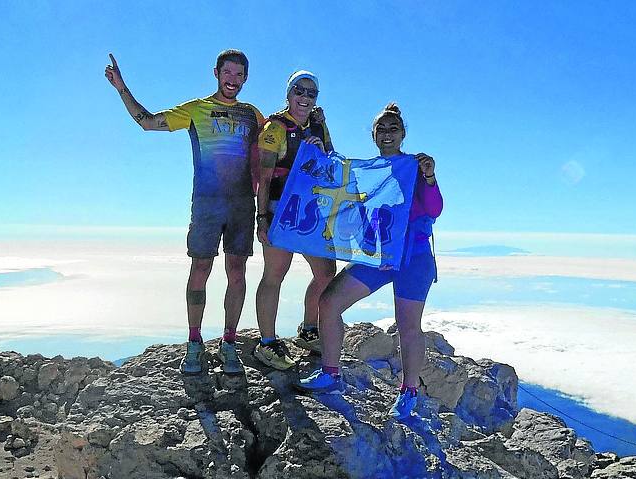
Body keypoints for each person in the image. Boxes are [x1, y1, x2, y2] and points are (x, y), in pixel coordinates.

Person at [104, 50, 264, 375]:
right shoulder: (196, 110)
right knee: (200, 269)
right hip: (207, 205)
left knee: (237, 272)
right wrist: (122, 88)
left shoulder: (253, 115)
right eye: (227, 73)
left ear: (246, 78)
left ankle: (229, 342)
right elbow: (147, 123)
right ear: (216, 73)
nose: (232, 80)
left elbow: (274, 149)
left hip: (242, 205)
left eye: (239, 75)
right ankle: (194, 343)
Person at [296, 103, 443, 419]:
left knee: (407, 327)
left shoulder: (414, 167)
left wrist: (430, 178)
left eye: (393, 129)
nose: (387, 134)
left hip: (413, 258)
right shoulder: (371, 170)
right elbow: (341, 179)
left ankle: (409, 392)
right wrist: (321, 150)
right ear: (374, 136)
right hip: (377, 256)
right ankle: (330, 374)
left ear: (403, 134)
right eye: (382, 129)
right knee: (330, 302)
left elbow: (433, 209)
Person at [253, 71, 337, 370]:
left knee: (326, 272)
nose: (304, 97)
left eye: (311, 93)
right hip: (279, 211)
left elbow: (330, 164)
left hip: (310, 212)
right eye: (299, 91)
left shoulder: (317, 125)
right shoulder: (276, 127)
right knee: (275, 274)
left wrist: (319, 146)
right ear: (288, 94)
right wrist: (262, 218)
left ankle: (308, 329)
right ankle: (267, 343)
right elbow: (264, 175)